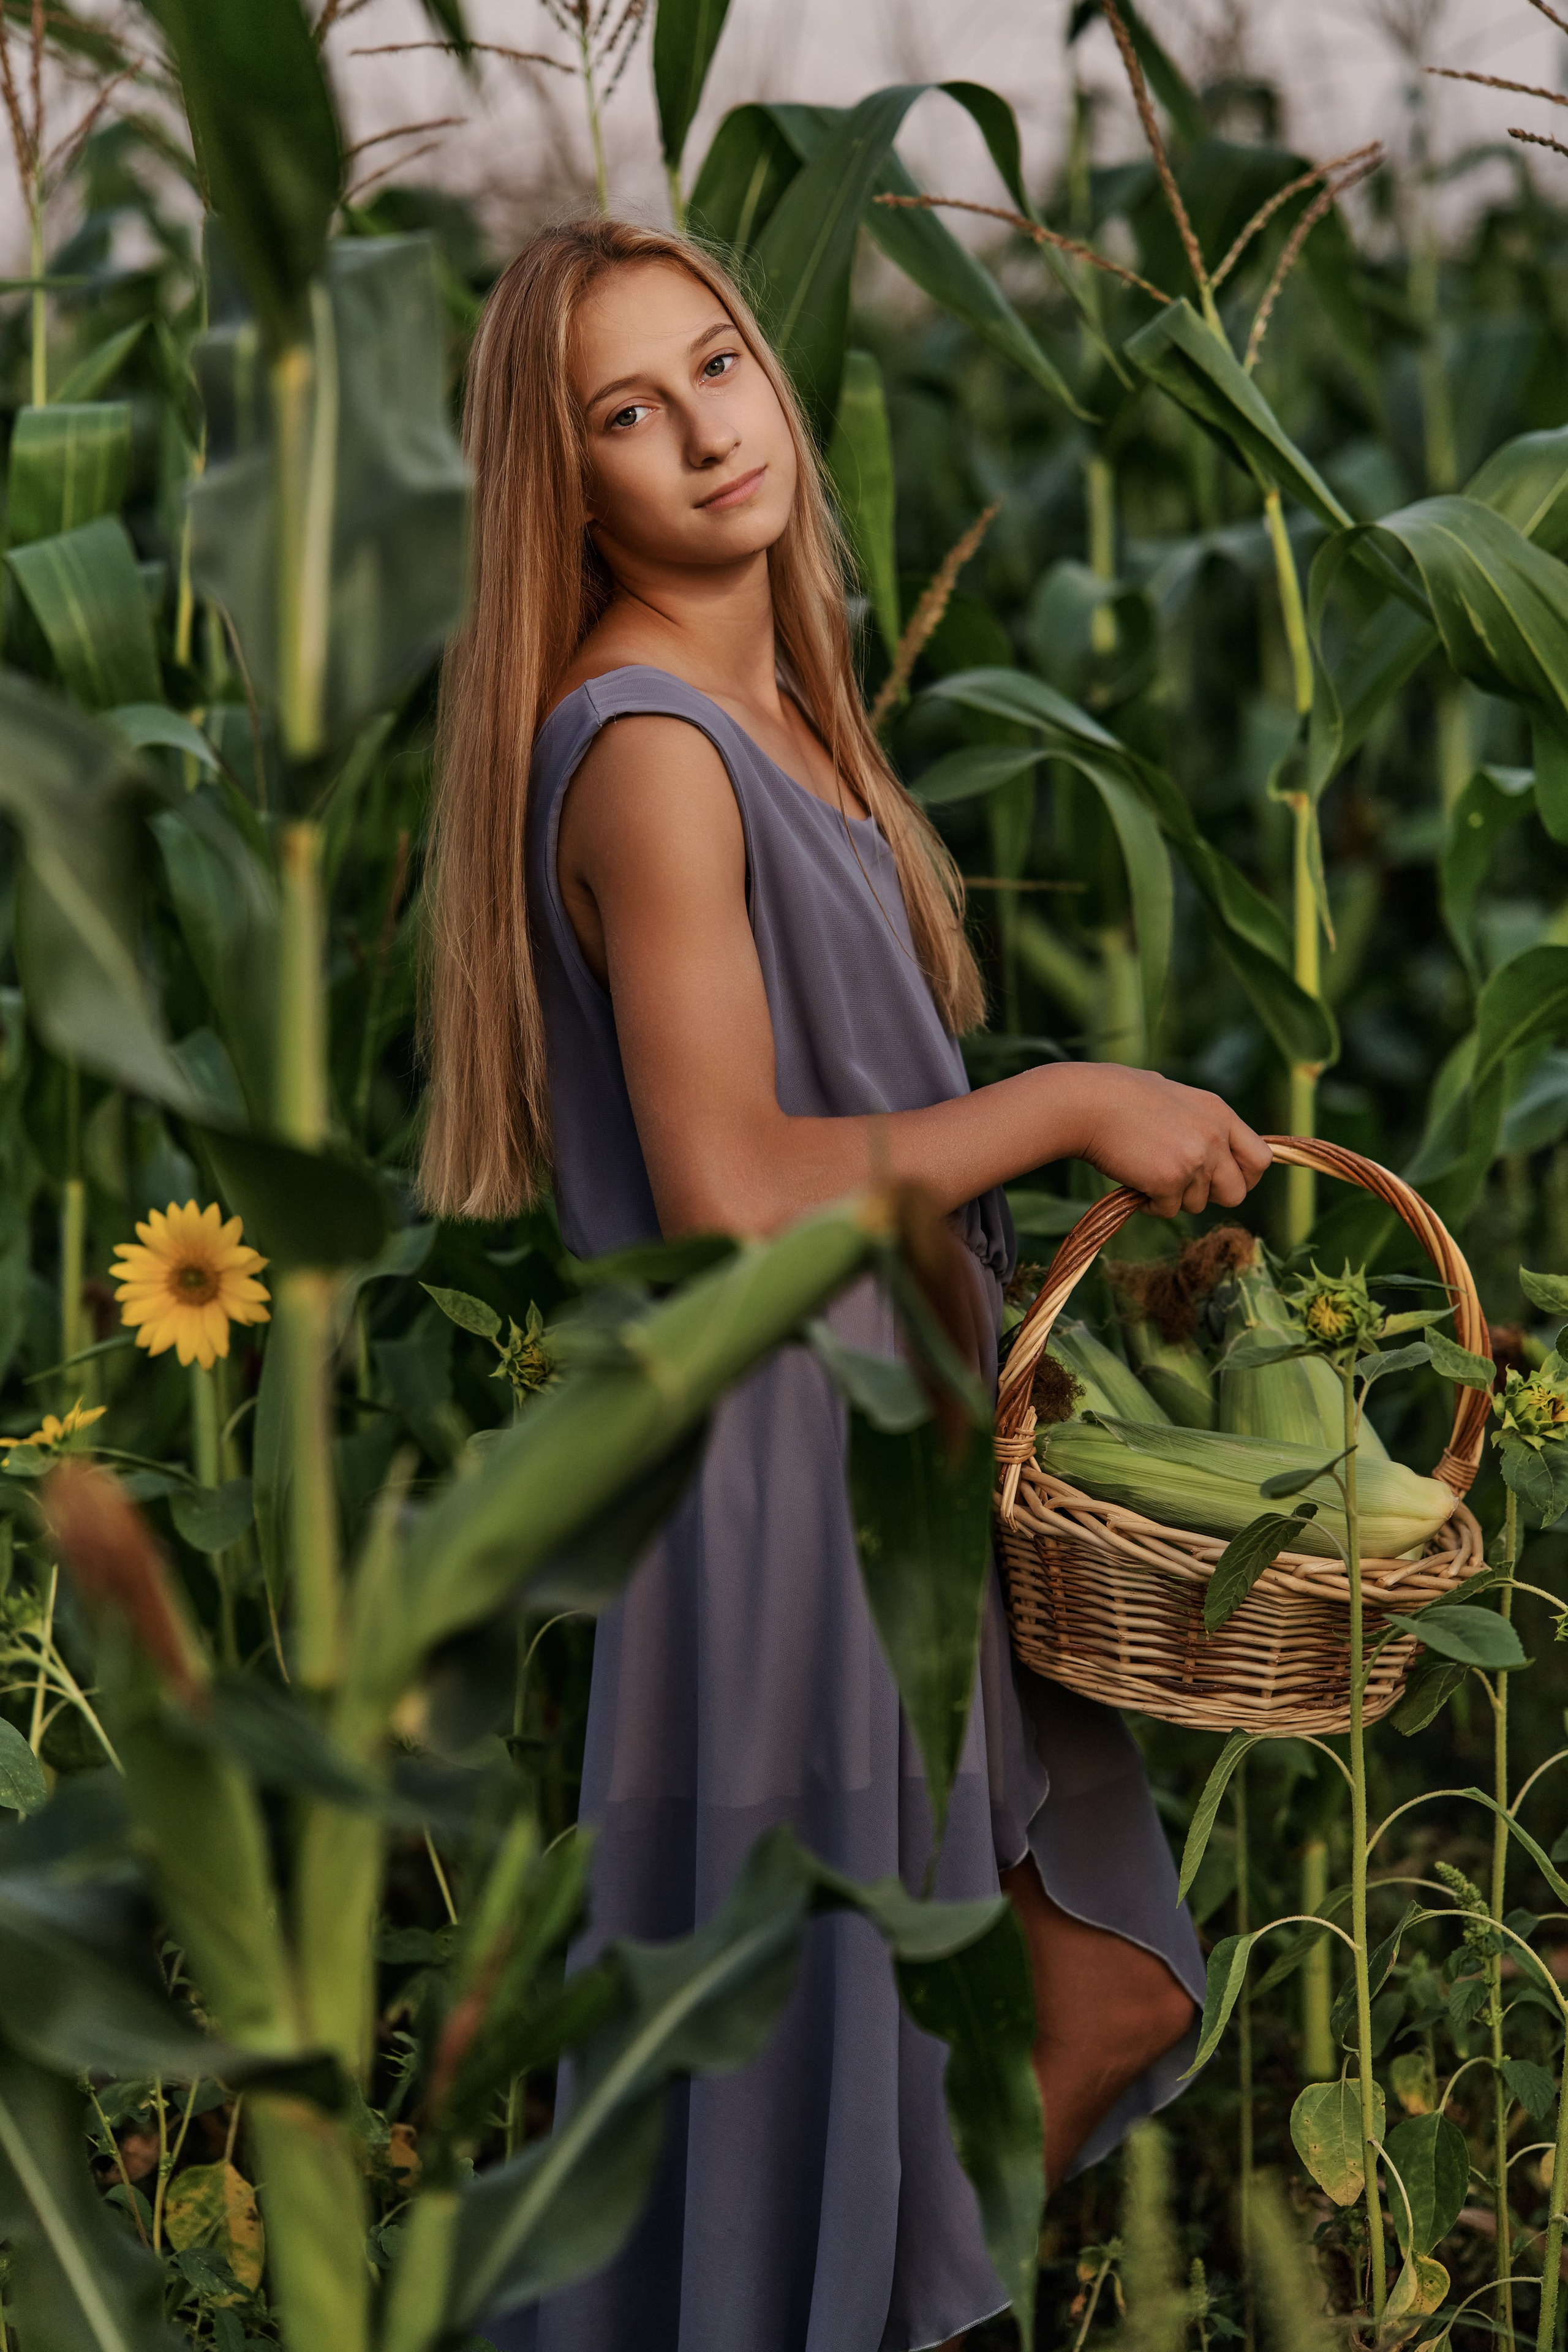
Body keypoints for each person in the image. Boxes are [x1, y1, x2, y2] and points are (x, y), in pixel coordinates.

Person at [420, 216, 1272, 2352]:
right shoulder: (647, 751)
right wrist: (1069, 1096)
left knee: (1091, 1991)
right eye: (630, 410)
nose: (707, 430)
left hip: (902, 1455)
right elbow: (724, 1188)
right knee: (832, 2094)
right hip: (783, 1497)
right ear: (570, 481)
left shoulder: (782, 714)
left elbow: (856, 1132)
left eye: (718, 363)